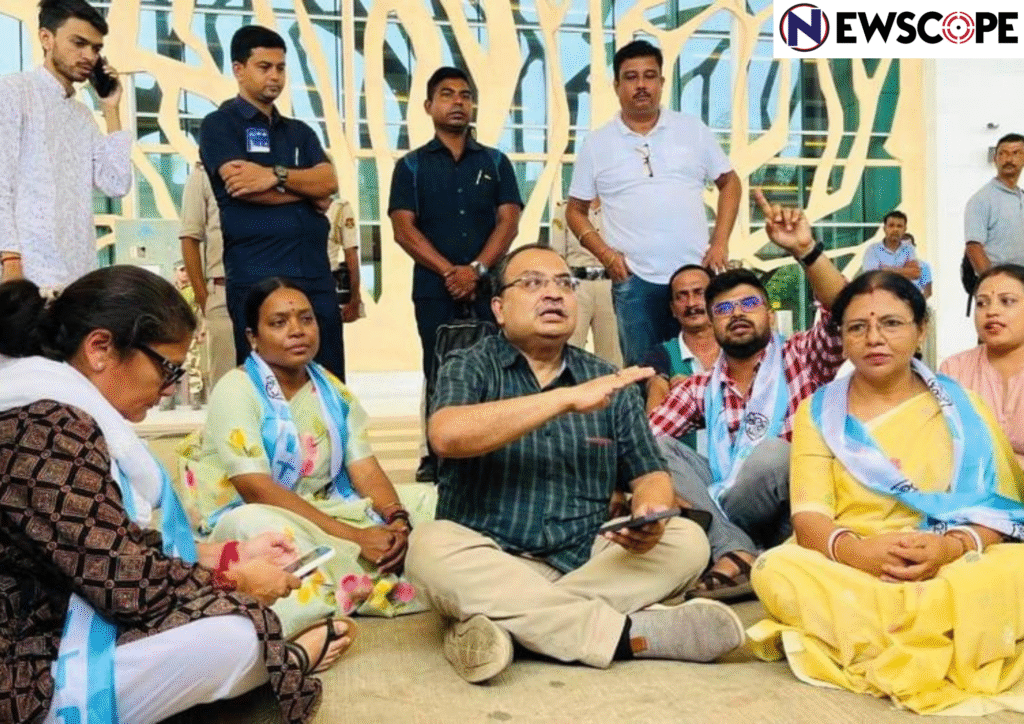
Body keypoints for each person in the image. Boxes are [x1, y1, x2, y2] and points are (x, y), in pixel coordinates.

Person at [0, 267, 353, 724]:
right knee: (238, 635)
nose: (169, 388)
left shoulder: (56, 413)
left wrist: (224, 557)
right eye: (167, 368)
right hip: (22, 658)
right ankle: (289, 661)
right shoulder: (47, 428)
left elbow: (103, 544)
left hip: (49, 618)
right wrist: (238, 581)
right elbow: (124, 583)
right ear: (101, 348)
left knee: (239, 623)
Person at [406, 244, 745, 685]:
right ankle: (626, 635)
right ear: (499, 309)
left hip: (585, 560)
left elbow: (650, 475)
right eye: (533, 283)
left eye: (564, 284)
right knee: (428, 546)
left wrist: (652, 513)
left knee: (687, 542)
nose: (553, 294)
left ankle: (505, 622)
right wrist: (564, 399)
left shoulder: (608, 380)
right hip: (488, 557)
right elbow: (447, 435)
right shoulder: (469, 365)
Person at [749, 270, 1024, 715]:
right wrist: (858, 553)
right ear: (842, 338)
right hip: (854, 561)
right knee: (775, 568)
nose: (874, 338)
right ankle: (943, 630)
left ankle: (886, 633)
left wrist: (950, 547)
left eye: (892, 323)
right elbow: (810, 517)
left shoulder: (965, 408)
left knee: (1013, 567)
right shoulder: (818, 412)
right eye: (857, 327)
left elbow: (1000, 512)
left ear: (921, 330)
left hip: (953, 557)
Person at [179, 278, 429, 640]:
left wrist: (397, 519)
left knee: (431, 501)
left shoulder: (330, 388)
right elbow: (255, 489)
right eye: (279, 322)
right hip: (258, 513)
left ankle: (364, 579)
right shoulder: (236, 389)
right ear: (252, 337)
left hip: (328, 508)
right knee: (265, 530)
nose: (297, 330)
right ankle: (317, 616)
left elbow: (364, 467)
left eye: (306, 319)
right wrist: (355, 536)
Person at [649, 190, 847, 601]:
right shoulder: (702, 387)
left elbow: (841, 312)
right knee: (659, 449)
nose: (737, 314)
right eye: (724, 309)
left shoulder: (801, 357)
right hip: (727, 498)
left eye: (749, 304)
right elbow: (646, 440)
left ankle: (732, 550)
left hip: (791, 508)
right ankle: (738, 551)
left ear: (769, 315)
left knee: (775, 452)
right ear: (712, 322)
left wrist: (806, 250)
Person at [566, 39, 740, 366]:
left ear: (661, 82)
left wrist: (720, 241)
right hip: (634, 282)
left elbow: (729, 182)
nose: (641, 85)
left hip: (696, 275)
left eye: (649, 76)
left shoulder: (692, 130)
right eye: (631, 77)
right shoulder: (597, 144)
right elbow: (576, 211)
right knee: (645, 374)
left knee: (707, 369)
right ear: (617, 86)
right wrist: (606, 255)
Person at [388, 66, 523, 482]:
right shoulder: (410, 166)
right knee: (439, 369)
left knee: (496, 366)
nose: (457, 102)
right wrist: (450, 272)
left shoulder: (496, 162)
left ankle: (492, 452)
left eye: (465, 95)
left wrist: (477, 270)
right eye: (447, 94)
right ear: (428, 106)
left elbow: (509, 222)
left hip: (489, 289)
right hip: (435, 289)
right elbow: (403, 229)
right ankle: (437, 455)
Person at [198, 25, 344, 379]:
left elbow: (329, 182)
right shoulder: (219, 125)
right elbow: (242, 187)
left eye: (280, 67)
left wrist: (275, 175)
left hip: (314, 275)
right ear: (238, 69)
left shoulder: (300, 132)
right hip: (258, 273)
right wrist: (306, 190)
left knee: (327, 381)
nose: (275, 76)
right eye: (264, 67)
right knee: (267, 385)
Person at [0, 0, 132, 289]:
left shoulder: (82, 116)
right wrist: (10, 261)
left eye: (96, 48)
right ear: (46, 38)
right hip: (24, 275)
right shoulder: (12, 93)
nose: (89, 56)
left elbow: (116, 184)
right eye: (79, 43)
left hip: (77, 277)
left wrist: (111, 109)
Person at [941, 263, 1024, 468]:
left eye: (1007, 301)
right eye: (981, 303)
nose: (991, 311)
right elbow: (942, 447)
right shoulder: (954, 370)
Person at [641, 265, 719, 455]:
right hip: (685, 465)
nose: (691, 303)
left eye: (699, 293)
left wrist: (690, 390)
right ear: (673, 309)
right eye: (681, 296)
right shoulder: (660, 355)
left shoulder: (737, 348)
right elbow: (656, 419)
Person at [179, 160, 236, 387]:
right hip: (224, 293)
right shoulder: (203, 175)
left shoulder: (271, 168)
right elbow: (189, 237)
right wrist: (205, 299)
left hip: (271, 291)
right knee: (227, 386)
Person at [550, 197, 622, 366]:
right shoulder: (565, 210)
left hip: (609, 284)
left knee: (612, 354)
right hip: (577, 285)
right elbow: (558, 255)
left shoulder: (617, 209)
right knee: (570, 346)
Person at [964, 132, 1024, 276]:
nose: (1008, 159)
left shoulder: (1021, 196)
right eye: (1002, 153)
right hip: (1001, 283)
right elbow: (974, 247)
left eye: (1016, 153)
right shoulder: (982, 200)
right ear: (995, 159)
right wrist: (992, 282)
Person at [860, 210, 921, 282]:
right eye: (891, 226)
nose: (895, 229)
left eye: (899, 226)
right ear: (884, 229)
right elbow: (872, 277)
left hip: (903, 289)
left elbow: (915, 273)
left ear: (904, 229)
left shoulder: (909, 249)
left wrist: (886, 270)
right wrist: (905, 271)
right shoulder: (873, 250)